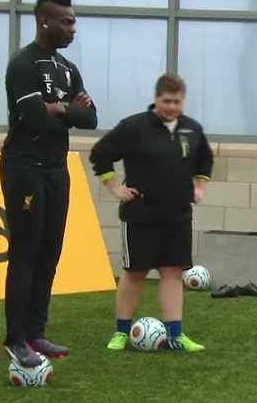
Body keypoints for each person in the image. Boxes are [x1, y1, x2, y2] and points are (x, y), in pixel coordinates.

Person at [0, 0, 97, 368]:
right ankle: (15, 339)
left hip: (57, 170)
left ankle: (35, 332)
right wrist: (67, 111)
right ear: (45, 21)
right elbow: (37, 119)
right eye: (66, 22)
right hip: (24, 169)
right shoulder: (22, 64)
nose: (73, 28)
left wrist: (59, 108)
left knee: (49, 254)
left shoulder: (67, 69)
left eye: (74, 22)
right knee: (25, 254)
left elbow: (90, 119)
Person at [89, 73, 213, 353]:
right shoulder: (134, 127)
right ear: (156, 99)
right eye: (166, 101)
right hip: (141, 214)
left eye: (177, 102)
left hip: (178, 215)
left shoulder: (191, 129)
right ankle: (121, 332)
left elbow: (204, 160)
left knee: (172, 272)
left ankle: (176, 335)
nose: (171, 107)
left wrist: (200, 187)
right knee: (135, 272)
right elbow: (100, 153)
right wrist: (114, 188)